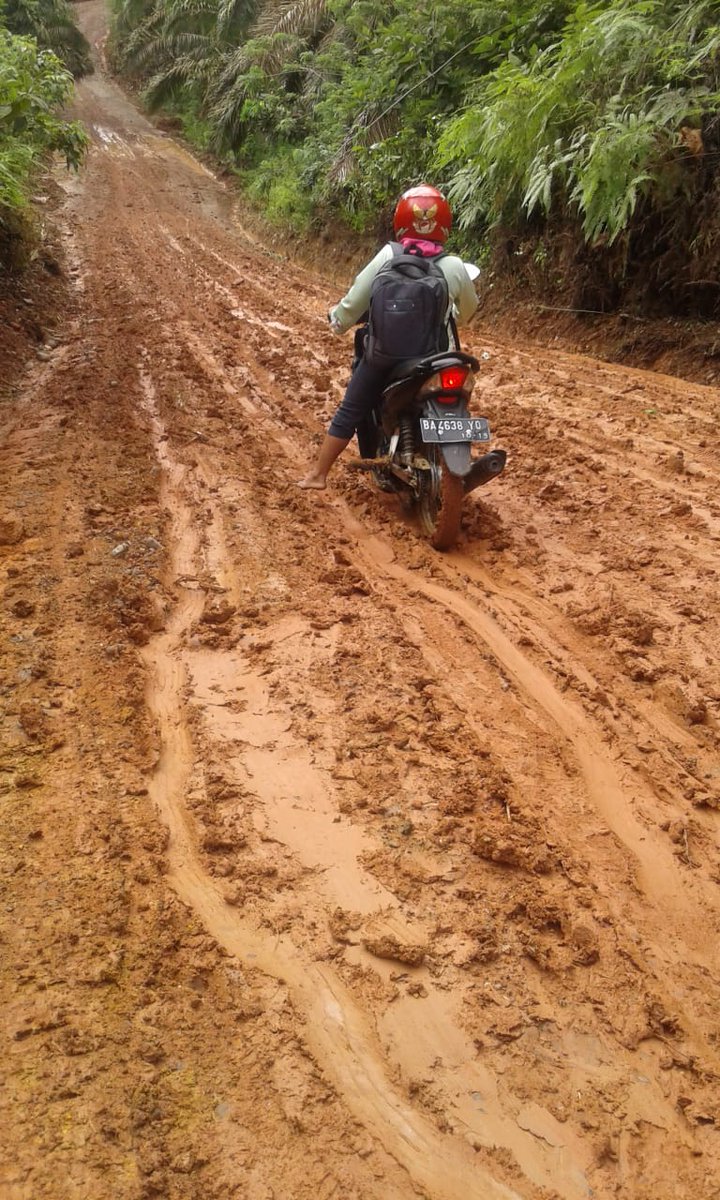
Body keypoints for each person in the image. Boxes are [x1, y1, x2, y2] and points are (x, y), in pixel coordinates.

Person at [298, 184, 479, 490]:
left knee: (352, 408)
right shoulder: (454, 266)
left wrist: (338, 321)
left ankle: (317, 475)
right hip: (436, 358)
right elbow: (469, 311)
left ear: (401, 221)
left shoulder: (388, 254)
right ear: (445, 224)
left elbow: (355, 301)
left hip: (386, 357)